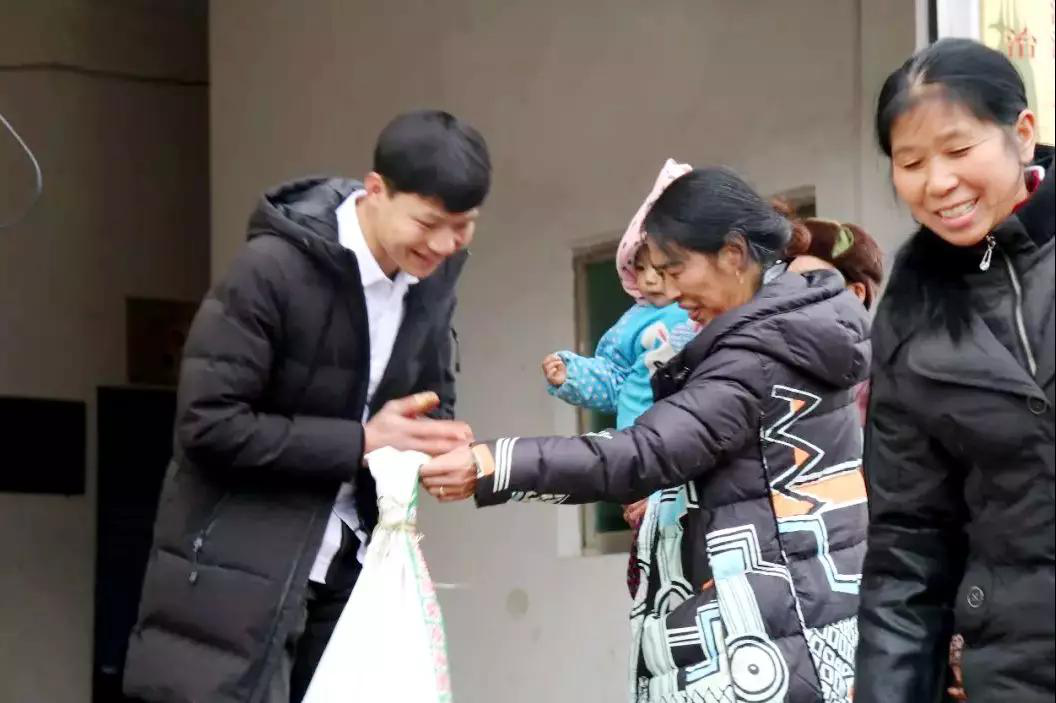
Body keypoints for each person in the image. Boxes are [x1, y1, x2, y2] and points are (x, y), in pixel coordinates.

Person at [422, 167, 871, 702]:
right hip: (795, 623)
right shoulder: (795, 328)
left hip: (770, 643)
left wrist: (496, 464)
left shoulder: (757, 355)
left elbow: (644, 453)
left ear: (733, 253)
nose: (671, 293)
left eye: (675, 270)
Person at [122, 110, 491, 703]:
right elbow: (207, 424)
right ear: (376, 191)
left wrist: (432, 449)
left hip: (355, 568)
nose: (445, 245)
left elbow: (427, 402)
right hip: (235, 575)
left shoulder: (432, 281)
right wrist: (362, 442)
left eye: (464, 227)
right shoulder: (271, 269)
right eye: (428, 224)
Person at [854, 38, 1054, 703]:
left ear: (1021, 134)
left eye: (959, 149)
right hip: (1021, 669)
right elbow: (907, 549)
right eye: (911, 162)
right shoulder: (910, 317)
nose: (938, 182)